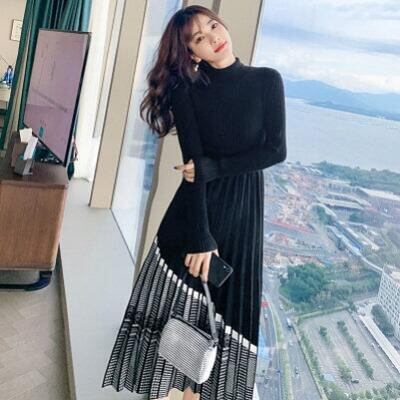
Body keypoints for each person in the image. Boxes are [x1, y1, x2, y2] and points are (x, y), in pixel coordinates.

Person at [101, 5, 286, 400]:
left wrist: (213, 167)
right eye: (198, 38)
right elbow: (193, 168)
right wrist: (201, 237)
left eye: (213, 26)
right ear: (191, 53)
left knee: (224, 327)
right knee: (181, 335)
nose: (212, 37)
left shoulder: (266, 81)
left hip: (243, 217)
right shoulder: (188, 93)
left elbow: (275, 151)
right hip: (195, 219)